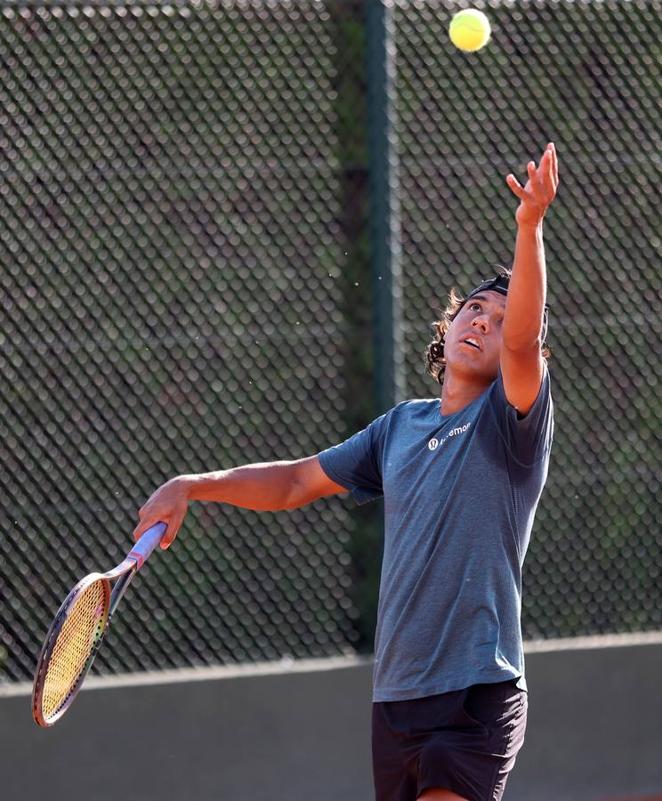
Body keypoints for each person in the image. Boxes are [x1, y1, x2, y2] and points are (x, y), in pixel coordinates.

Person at [133, 143, 559, 801]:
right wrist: (195, 483)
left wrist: (528, 225)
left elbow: (527, 340)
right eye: (475, 307)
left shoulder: (511, 423)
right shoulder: (398, 430)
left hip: (478, 690)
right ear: (447, 324)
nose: (485, 321)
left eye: (501, 319)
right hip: (394, 700)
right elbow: (296, 482)